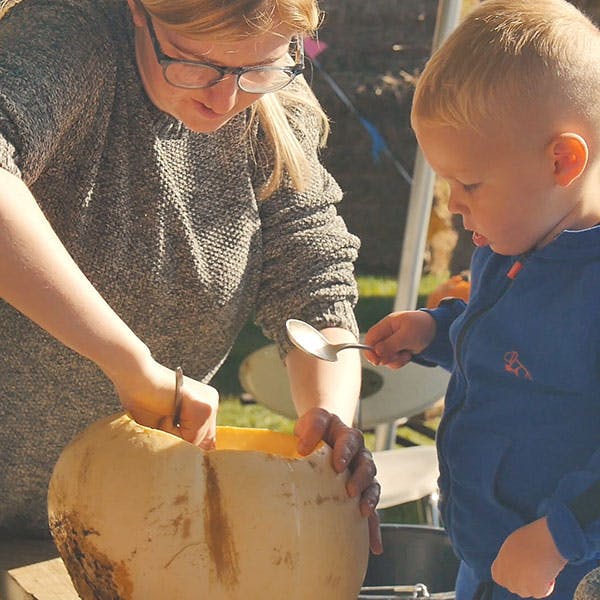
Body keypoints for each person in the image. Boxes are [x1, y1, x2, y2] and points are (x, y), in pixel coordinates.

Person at [0, 0, 382, 552]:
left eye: (260, 67)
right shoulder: (70, 37)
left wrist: (330, 431)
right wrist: (127, 362)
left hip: (130, 524)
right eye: (195, 63)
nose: (225, 99)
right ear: (138, 10)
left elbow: (312, 278)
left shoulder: (271, 101)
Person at [364, 0, 600, 597]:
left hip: (563, 570)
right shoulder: (510, 243)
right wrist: (435, 329)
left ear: (562, 161)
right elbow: (505, 343)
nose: (453, 204)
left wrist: (559, 538)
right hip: (488, 549)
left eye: (468, 183)